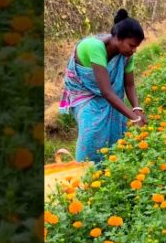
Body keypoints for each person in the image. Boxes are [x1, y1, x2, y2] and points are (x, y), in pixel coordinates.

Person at [59, 9, 147, 162]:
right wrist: (133, 118)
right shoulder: (96, 47)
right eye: (131, 45)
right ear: (118, 38)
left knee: (116, 129)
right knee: (91, 132)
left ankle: (110, 170)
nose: (134, 51)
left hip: (107, 92)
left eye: (136, 47)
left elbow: (130, 85)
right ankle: (85, 172)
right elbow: (106, 92)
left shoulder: (126, 56)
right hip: (84, 91)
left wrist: (137, 110)